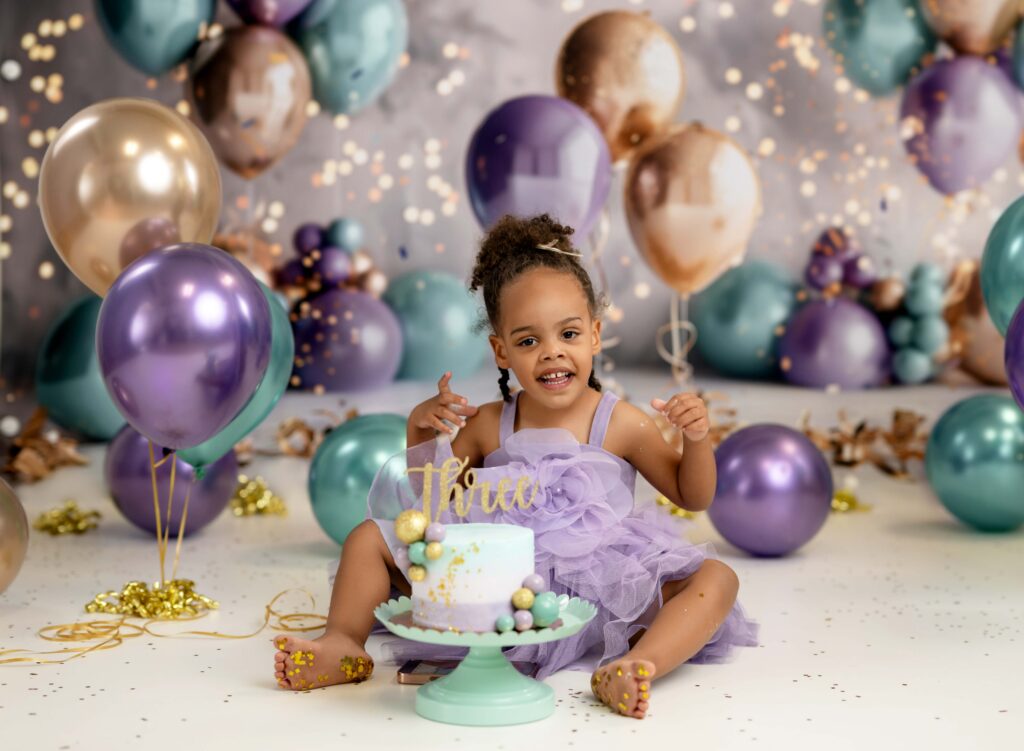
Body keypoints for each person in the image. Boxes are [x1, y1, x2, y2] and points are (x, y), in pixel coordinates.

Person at [274, 214, 758, 719]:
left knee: (716, 578)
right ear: (501, 351)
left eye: (568, 333)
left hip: (598, 591)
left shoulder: (620, 423)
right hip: (492, 588)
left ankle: (637, 664)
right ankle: (342, 643)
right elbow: (430, 504)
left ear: (594, 334)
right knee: (367, 539)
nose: (552, 353)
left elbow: (692, 494)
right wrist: (420, 431)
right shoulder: (488, 425)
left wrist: (697, 441)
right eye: (528, 342)